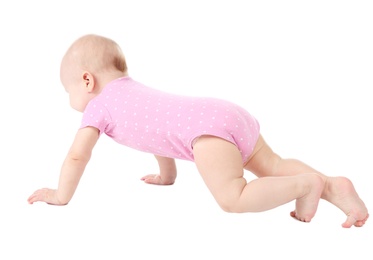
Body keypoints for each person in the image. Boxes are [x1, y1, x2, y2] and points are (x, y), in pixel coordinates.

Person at [27, 34, 369, 228]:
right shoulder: (133, 93)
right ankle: (334, 185)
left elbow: (77, 155)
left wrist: (60, 195)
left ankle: (306, 184)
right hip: (224, 112)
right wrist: (167, 176)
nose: (71, 98)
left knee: (233, 197)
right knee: (274, 164)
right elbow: (154, 132)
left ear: (87, 80)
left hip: (207, 135)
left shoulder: (98, 106)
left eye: (67, 89)